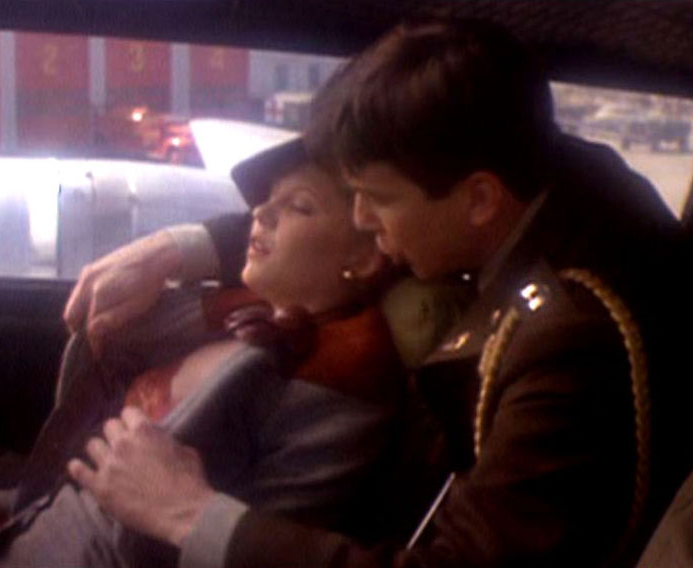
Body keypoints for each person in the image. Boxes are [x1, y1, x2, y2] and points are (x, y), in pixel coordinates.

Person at [65, 19, 693, 568]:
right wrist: (181, 249)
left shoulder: (571, 345)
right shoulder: (521, 166)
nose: (362, 220)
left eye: (377, 200)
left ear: (479, 199)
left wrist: (189, 514)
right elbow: (370, 217)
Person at [0, 141, 450, 568]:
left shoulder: (332, 388)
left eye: (299, 206)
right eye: (264, 202)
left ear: (365, 256)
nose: (260, 214)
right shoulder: (234, 320)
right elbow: (100, 489)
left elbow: (176, 529)